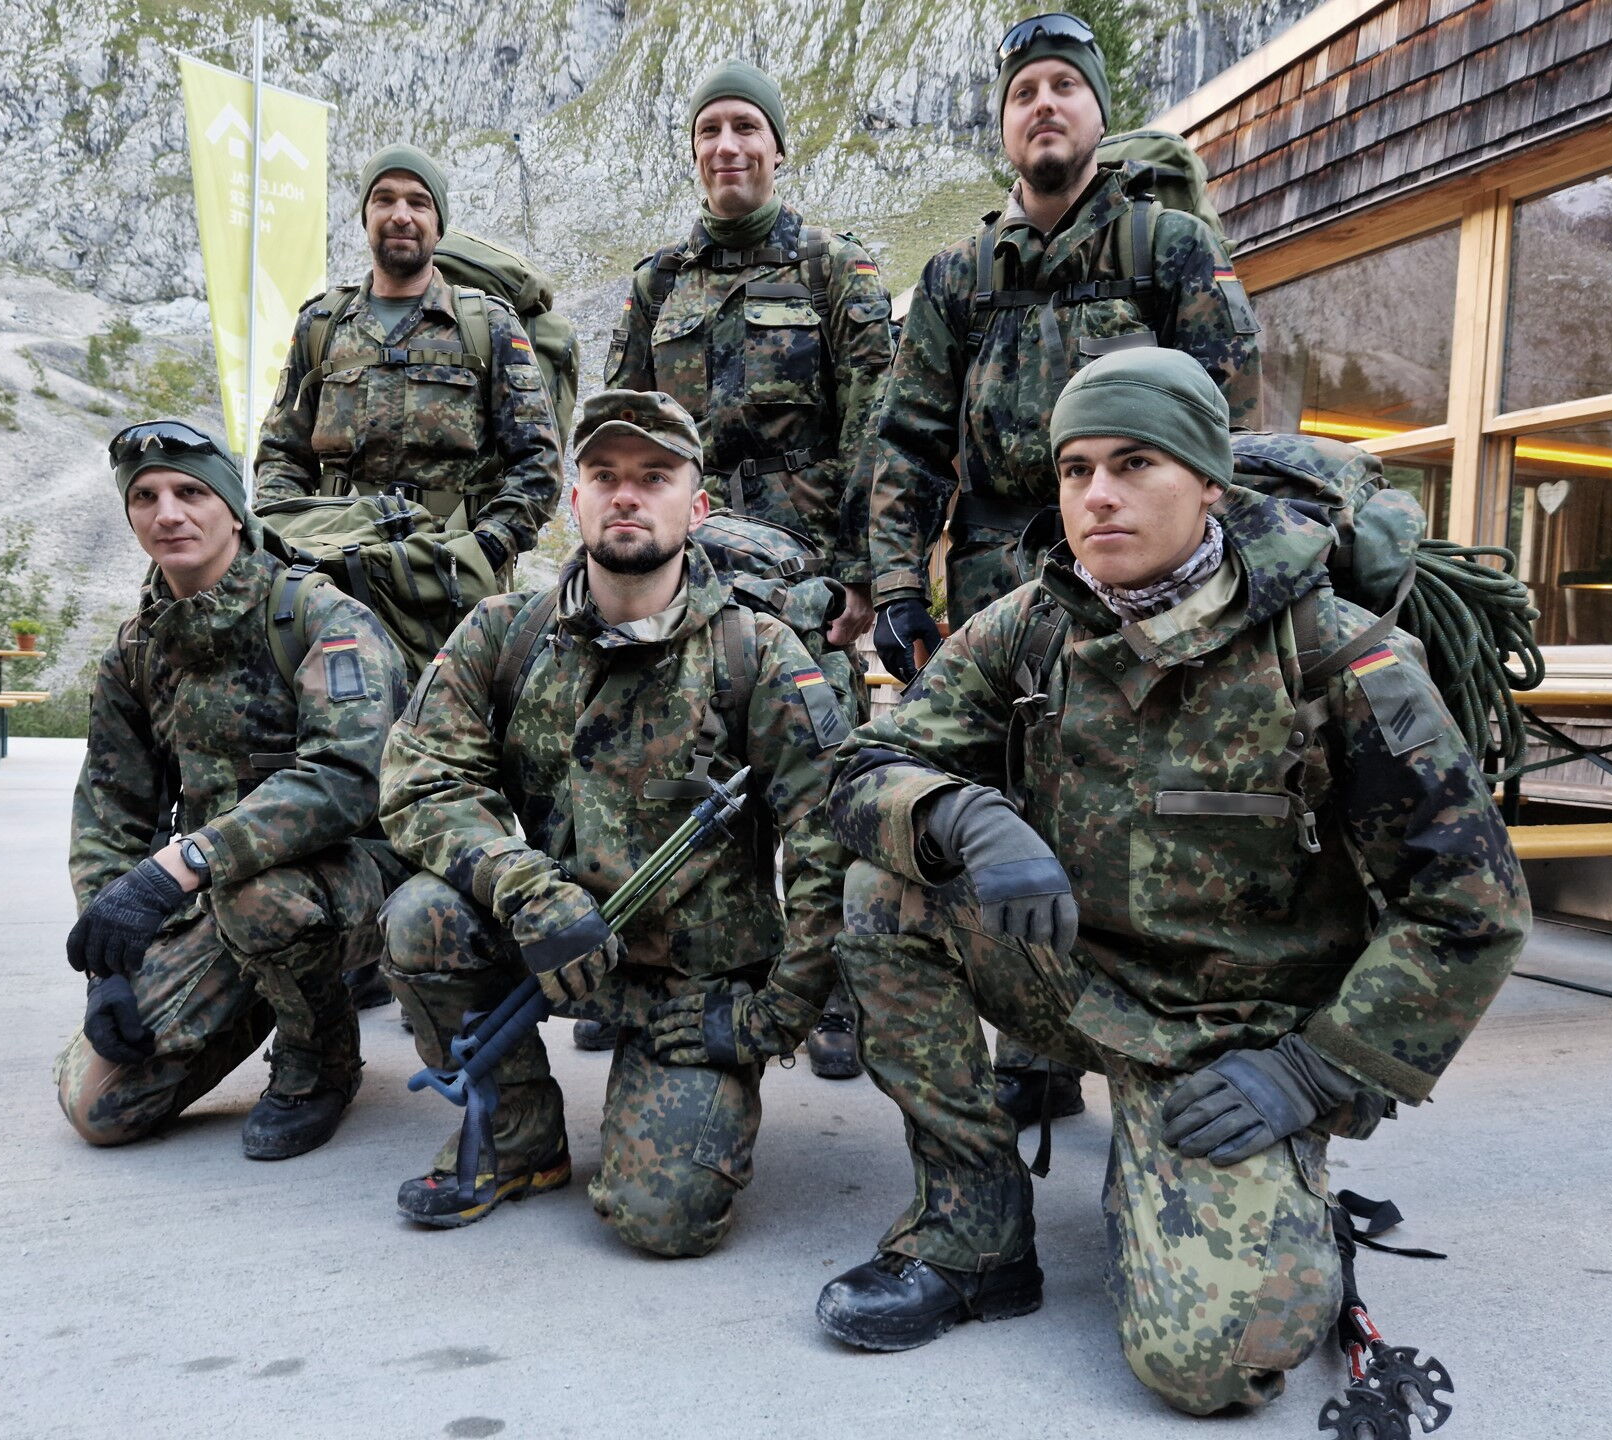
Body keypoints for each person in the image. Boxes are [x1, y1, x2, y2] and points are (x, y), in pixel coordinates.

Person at [815, 349, 1528, 1415]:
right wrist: (962, 815)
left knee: (1214, 1364)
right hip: (1071, 972)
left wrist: (1316, 1073)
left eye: (1134, 463)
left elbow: (1472, 904)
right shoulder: (1033, 623)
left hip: (1234, 1040)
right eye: (1076, 469)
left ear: (1209, 486)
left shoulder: (1339, 657)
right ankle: (972, 1234)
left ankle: (1225, 1183)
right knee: (888, 889)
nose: (1097, 495)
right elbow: (864, 767)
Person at [864, 12, 1264, 1119]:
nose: (1044, 105)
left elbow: (1228, 417)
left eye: (1064, 87)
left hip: (1141, 578)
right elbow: (907, 440)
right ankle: (1038, 1043)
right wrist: (897, 584)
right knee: (1005, 795)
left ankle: (1160, 1032)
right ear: (1004, 125)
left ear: (1097, 110)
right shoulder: (959, 276)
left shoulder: (1164, 249)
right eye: (1023, 92)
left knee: (1129, 798)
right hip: (997, 580)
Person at [377, 389, 850, 1254]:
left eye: (655, 476)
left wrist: (774, 1015)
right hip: (547, 942)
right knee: (422, 917)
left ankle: (671, 1101)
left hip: (691, 981)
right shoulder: (503, 633)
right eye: (605, 476)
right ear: (576, 501)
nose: (627, 495)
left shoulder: (757, 652)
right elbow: (422, 780)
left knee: (662, 1221)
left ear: (696, 508)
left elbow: (831, 844)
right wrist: (527, 889)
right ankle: (517, 1134)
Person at [602, 61, 893, 1075]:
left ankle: (835, 988)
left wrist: (863, 573)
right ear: (695, 150)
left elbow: (875, 427)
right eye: (709, 130)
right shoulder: (658, 283)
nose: (727, 145)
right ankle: (659, 956)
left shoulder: (834, 270)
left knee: (818, 775)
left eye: (745, 128)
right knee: (670, 765)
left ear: (776, 146)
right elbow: (618, 436)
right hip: (685, 578)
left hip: (804, 577)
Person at [56, 420, 409, 1160]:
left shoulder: (320, 617)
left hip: (355, 882)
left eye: (191, 493)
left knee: (262, 897)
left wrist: (183, 864)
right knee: (102, 1107)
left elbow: (348, 778)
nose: (168, 514)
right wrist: (107, 966)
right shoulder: (136, 649)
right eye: (145, 497)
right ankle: (266, 990)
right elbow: (111, 813)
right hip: (218, 893)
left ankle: (321, 1057)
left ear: (233, 507)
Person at [254, 142, 564, 587]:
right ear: (366, 217)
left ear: (438, 225)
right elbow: (281, 454)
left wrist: (487, 548)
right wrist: (288, 538)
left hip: (450, 576)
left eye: (418, 203)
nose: (401, 215)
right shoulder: (320, 325)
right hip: (333, 571)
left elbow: (539, 462)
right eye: (384, 199)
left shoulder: (488, 325)